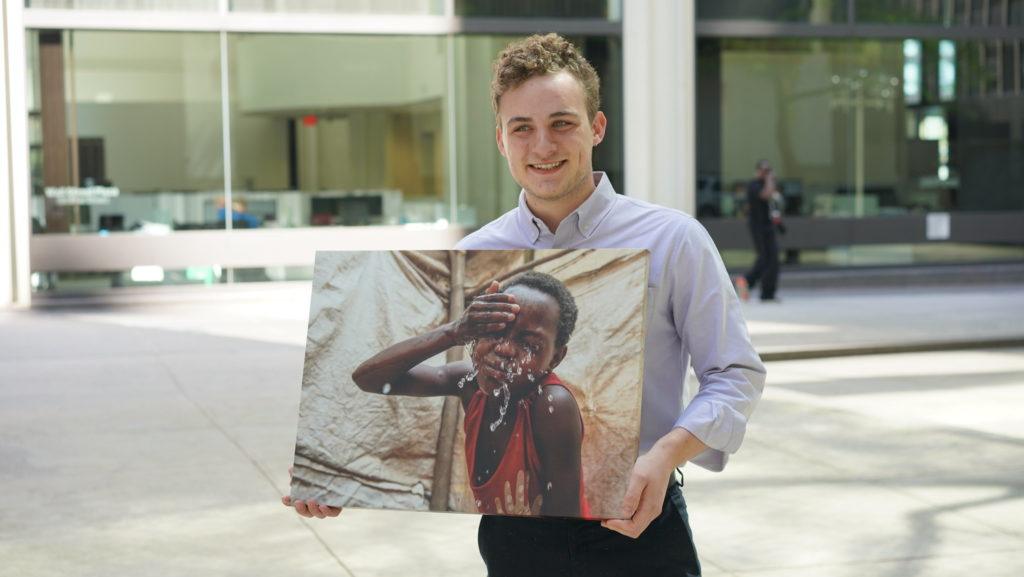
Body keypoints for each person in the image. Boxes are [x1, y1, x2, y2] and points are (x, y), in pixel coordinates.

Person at [284, 33, 765, 577]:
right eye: (522, 128)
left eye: (562, 122)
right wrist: (334, 481)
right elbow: (370, 379)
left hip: (637, 528)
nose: (543, 146)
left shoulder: (675, 238)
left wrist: (665, 456)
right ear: (500, 140)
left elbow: (734, 374)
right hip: (512, 542)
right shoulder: (477, 252)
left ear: (597, 127)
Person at [349, 271, 590, 518]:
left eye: (529, 345)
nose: (504, 348)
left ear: (556, 358)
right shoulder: (470, 384)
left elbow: (566, 522)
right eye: (495, 332)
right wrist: (452, 332)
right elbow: (368, 379)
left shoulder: (551, 405)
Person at [735, 160, 781, 302]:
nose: (767, 173)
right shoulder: (753, 185)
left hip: (769, 227)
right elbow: (765, 195)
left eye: (769, 170)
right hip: (758, 227)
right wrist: (769, 180)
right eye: (764, 170)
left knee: (773, 260)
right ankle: (745, 282)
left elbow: (773, 200)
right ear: (758, 171)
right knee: (764, 258)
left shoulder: (768, 185)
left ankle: (768, 293)